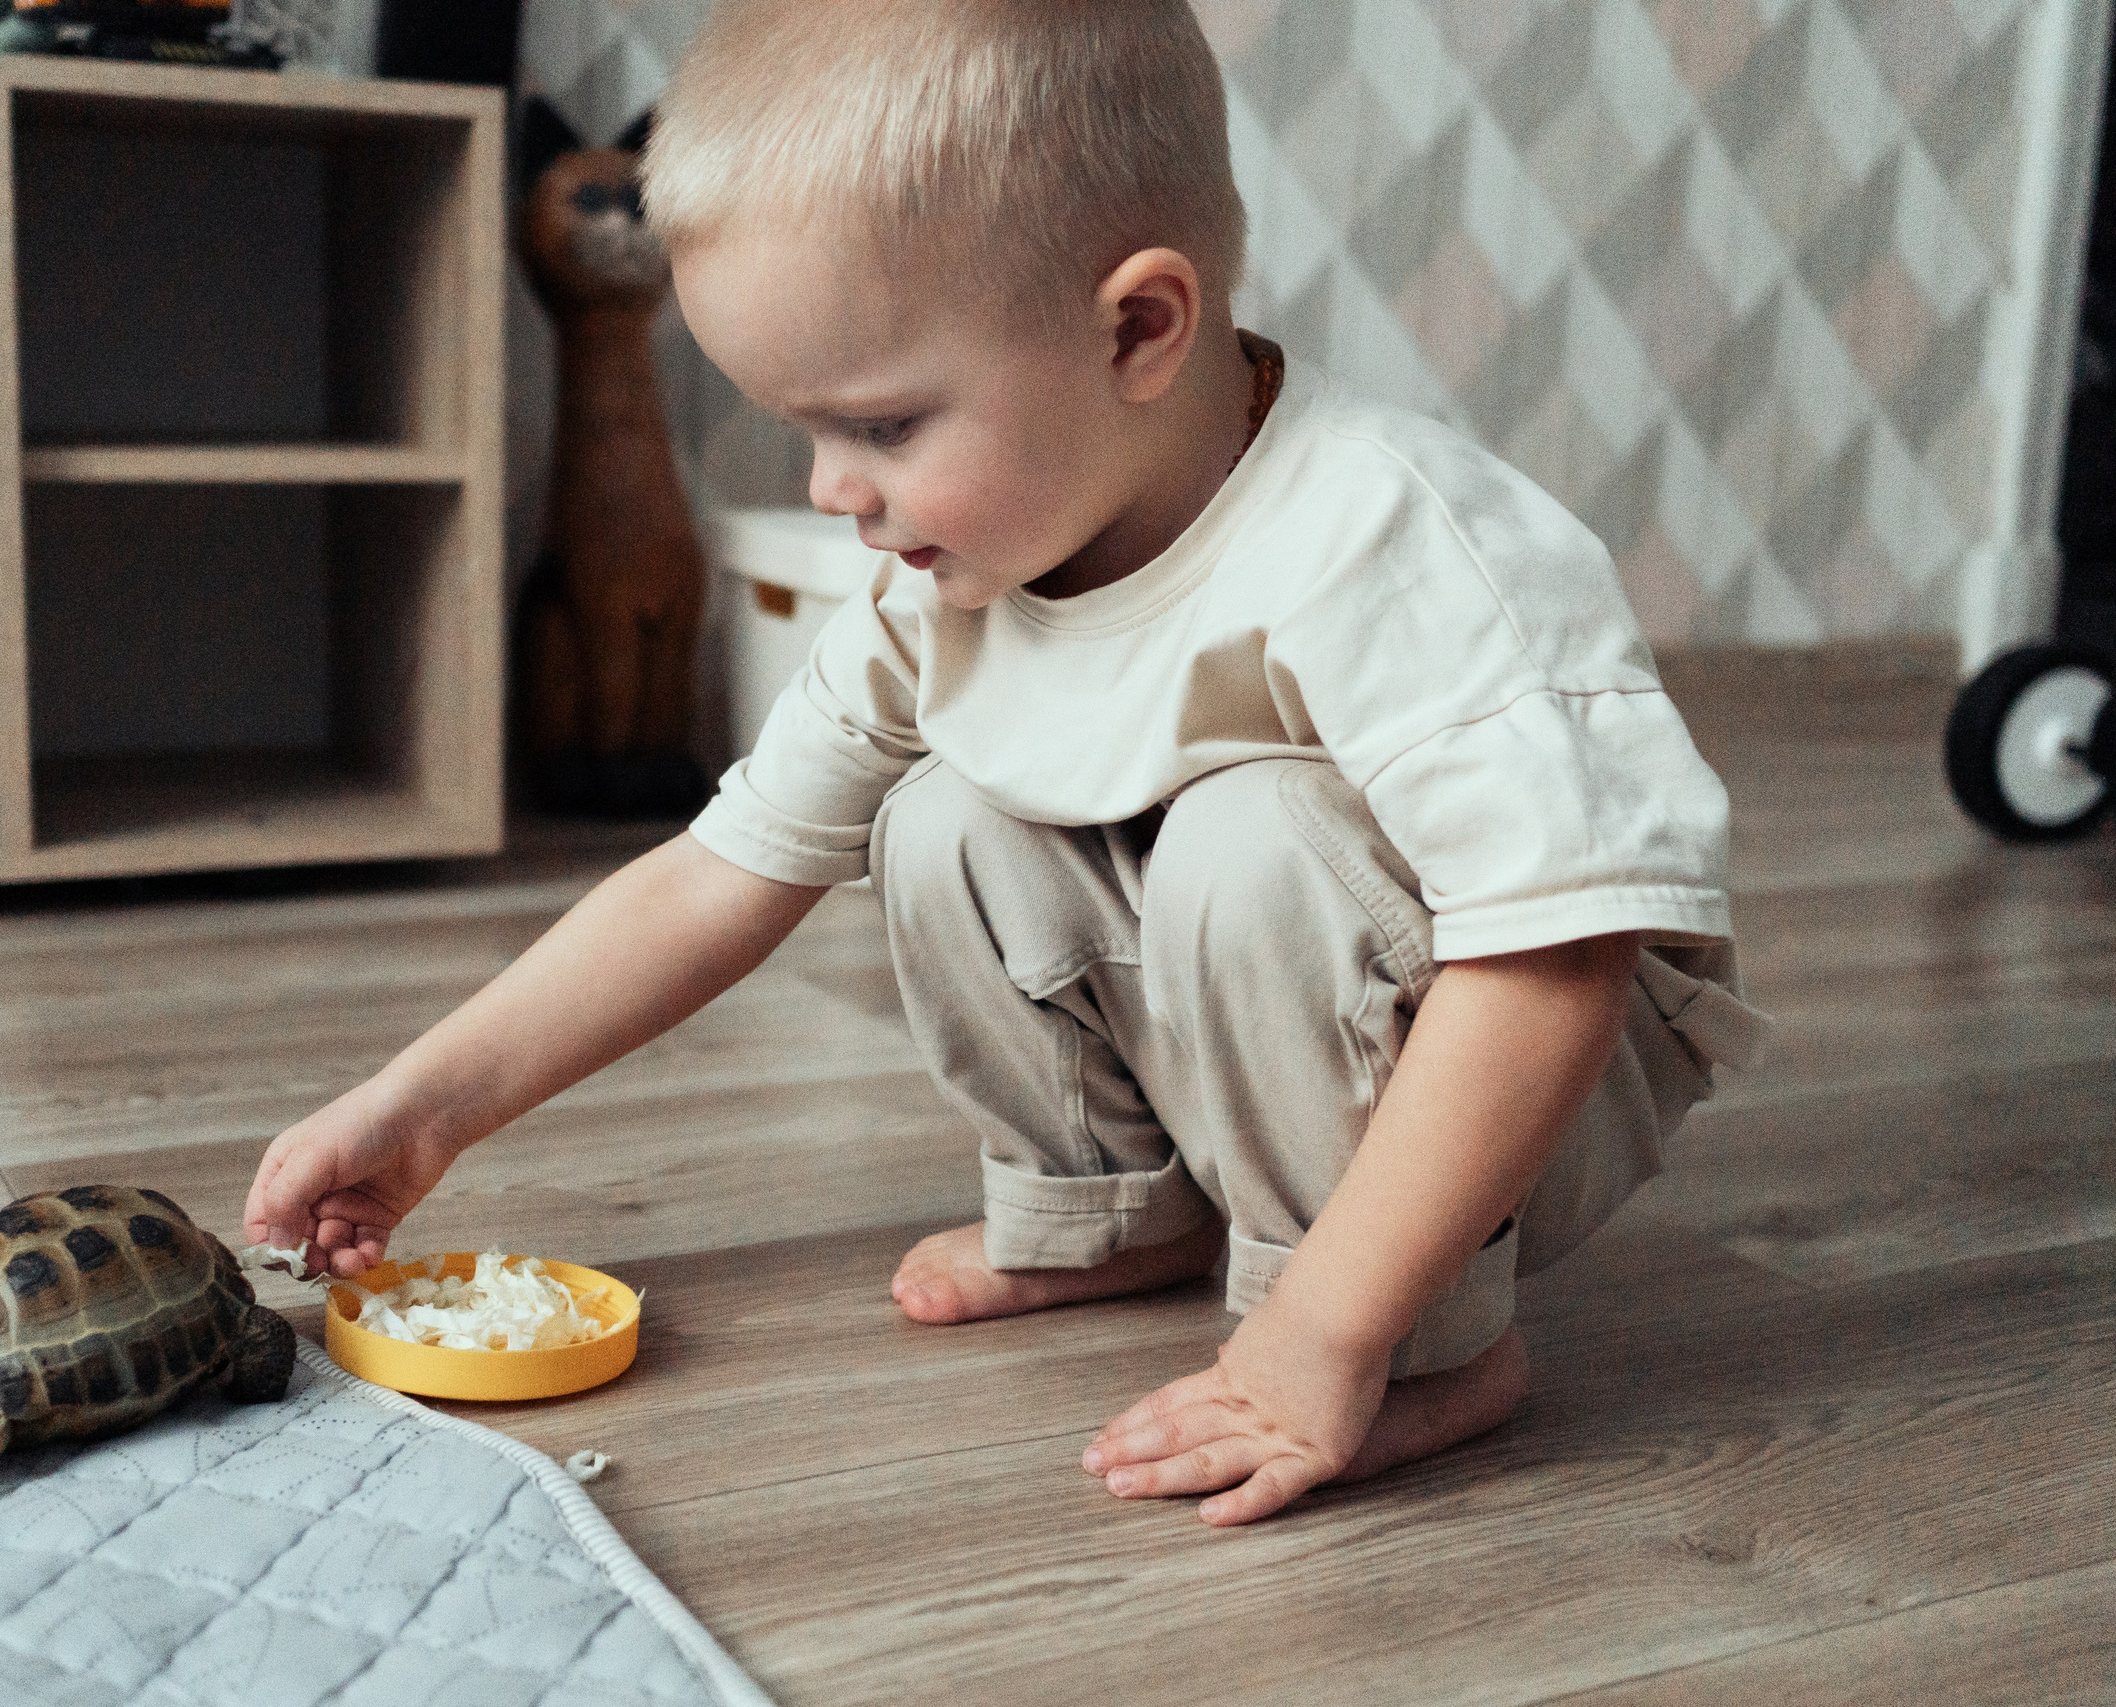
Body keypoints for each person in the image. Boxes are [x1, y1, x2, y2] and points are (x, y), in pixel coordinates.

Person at [246, 0, 1768, 1526]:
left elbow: (1555, 965)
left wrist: (1328, 1329)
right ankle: (1116, 1217)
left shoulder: (1393, 541)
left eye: (883, 425)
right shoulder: (945, 590)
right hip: (1262, 1024)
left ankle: (1436, 1346)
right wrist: (424, 1108)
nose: (834, 490)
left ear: (1137, 330)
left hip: (1529, 1084)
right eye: (807, 432)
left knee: (1249, 838)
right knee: (941, 812)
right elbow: (718, 877)